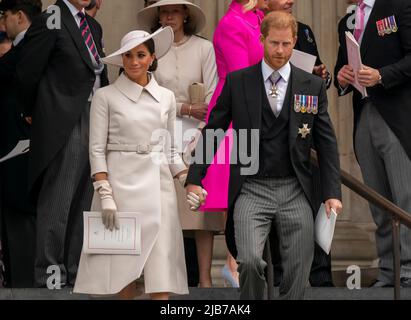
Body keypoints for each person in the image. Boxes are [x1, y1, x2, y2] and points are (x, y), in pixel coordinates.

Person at [186, 11, 342, 300]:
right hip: (251, 186)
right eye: (274, 43)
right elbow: (214, 131)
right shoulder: (238, 82)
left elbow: (327, 143)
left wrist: (332, 192)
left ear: (294, 41)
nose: (280, 51)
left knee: (300, 264)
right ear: (261, 40)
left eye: (286, 44)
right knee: (250, 261)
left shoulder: (312, 85)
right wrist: (196, 178)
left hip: (295, 187)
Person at [74, 27, 189, 300]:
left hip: (160, 192)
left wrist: (188, 182)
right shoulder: (105, 96)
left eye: (140, 55)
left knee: (161, 274)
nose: (134, 61)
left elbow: (171, 148)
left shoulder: (167, 97)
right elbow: (96, 149)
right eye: (128, 56)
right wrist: (105, 194)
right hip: (119, 192)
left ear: (152, 58)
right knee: (122, 274)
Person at [14, 0, 109, 288]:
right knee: (59, 197)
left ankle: (74, 272)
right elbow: (27, 71)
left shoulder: (92, 25)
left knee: (83, 199)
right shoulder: (50, 18)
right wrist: (33, 112)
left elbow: (98, 73)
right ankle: (50, 275)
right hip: (63, 118)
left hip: (96, 115)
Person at [137, 0, 225, 289]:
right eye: (164, 11)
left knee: (201, 210)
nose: (169, 16)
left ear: (186, 14)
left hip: (201, 135)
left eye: (175, 11)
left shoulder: (204, 48)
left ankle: (204, 279)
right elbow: (146, 94)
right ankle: (159, 277)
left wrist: (201, 133)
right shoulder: (150, 51)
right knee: (159, 210)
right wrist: (185, 108)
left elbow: (214, 94)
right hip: (158, 134)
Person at [334, 0, 411, 288]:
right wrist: (341, 77)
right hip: (363, 115)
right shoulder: (347, 21)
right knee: (379, 204)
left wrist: (382, 75)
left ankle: (408, 270)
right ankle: (389, 270)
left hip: (396, 117)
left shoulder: (400, 6)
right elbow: (343, 64)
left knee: (405, 198)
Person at [265, 0, 334, 287]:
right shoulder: (253, 28)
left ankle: (320, 276)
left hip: (306, 135)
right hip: (271, 137)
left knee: (319, 202)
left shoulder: (303, 30)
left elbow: (315, 76)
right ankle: (277, 275)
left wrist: (320, 75)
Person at [199, 0, 268, 288]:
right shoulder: (230, 24)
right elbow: (242, 76)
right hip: (233, 111)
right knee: (235, 187)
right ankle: (233, 263)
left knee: (250, 188)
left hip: (258, 107)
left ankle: (242, 263)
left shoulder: (259, 17)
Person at [0, 0, 42, 288]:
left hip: (23, 147)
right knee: (11, 220)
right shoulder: (21, 48)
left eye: (5, 15)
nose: (3, 22)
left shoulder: (34, 46)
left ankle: (25, 289)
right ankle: (17, 286)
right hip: (10, 148)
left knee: (22, 217)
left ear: (19, 15)